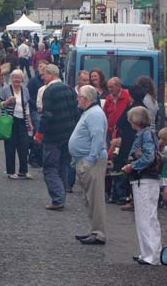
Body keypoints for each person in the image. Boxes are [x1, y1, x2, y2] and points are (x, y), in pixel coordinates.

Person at [34, 64, 79, 210]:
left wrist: (39, 133)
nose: (42, 78)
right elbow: (75, 112)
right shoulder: (69, 89)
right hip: (68, 134)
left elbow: (47, 115)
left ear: (51, 75)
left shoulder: (49, 91)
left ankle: (58, 199)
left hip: (53, 136)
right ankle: (62, 193)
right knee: (63, 165)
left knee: (49, 168)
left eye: (44, 75)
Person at [68, 85, 108, 245]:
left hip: (92, 162)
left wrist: (90, 160)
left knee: (95, 199)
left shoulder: (95, 114)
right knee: (89, 199)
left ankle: (99, 233)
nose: (77, 99)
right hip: (85, 160)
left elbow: (97, 137)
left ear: (85, 99)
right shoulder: (91, 113)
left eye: (79, 97)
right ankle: (93, 230)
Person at [122, 106, 162, 265]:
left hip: (144, 180)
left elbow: (148, 156)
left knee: (146, 217)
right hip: (146, 179)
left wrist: (133, 166)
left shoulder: (145, 135)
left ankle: (151, 255)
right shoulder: (148, 133)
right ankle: (147, 252)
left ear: (135, 120)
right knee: (145, 217)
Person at [109, 85, 145, 205]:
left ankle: (120, 195)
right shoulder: (145, 109)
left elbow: (119, 124)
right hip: (141, 144)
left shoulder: (130, 108)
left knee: (122, 168)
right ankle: (133, 196)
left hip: (127, 142)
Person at [0, 69, 33, 179]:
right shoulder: (5, 89)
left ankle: (24, 171)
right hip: (9, 121)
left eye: (19, 77)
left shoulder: (25, 90)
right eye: (15, 77)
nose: (17, 79)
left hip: (22, 120)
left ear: (22, 79)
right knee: (10, 146)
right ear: (11, 79)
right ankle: (11, 171)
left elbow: (26, 107)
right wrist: (7, 101)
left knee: (24, 145)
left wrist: (29, 122)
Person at [27, 60, 48, 167]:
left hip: (47, 111)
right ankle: (33, 157)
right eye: (40, 67)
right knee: (38, 133)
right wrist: (35, 106)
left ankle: (42, 157)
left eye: (44, 67)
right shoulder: (33, 81)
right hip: (36, 111)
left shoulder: (48, 82)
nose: (42, 69)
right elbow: (28, 96)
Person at [103, 77, 130, 143]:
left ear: (118, 86)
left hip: (123, 132)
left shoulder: (127, 96)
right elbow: (104, 114)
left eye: (111, 87)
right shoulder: (108, 98)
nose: (109, 89)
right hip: (110, 132)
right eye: (108, 87)